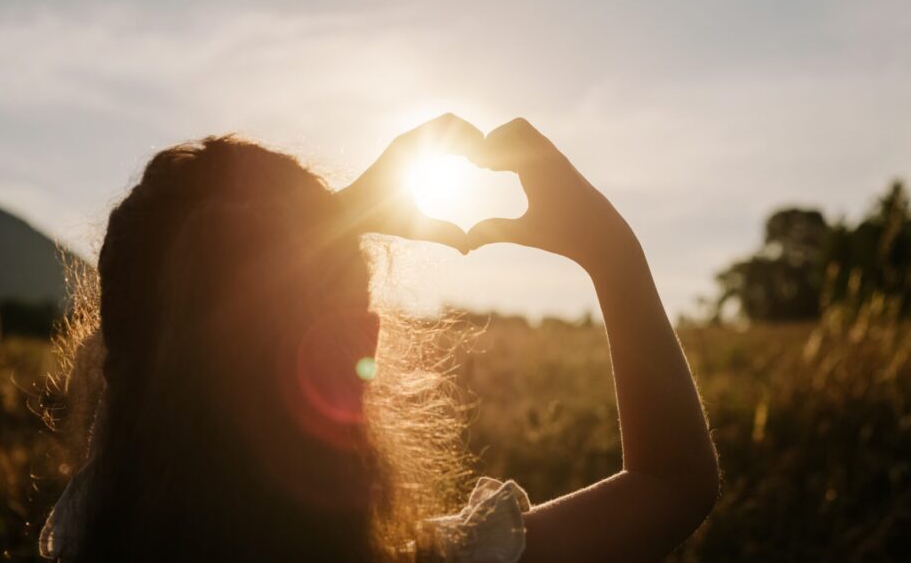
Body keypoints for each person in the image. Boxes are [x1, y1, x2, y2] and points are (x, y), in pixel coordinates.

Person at [41, 114, 719, 562]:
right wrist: (611, 251)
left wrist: (312, 231)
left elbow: (179, 346)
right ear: (358, 345)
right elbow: (672, 482)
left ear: (108, 360)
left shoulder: (83, 539)